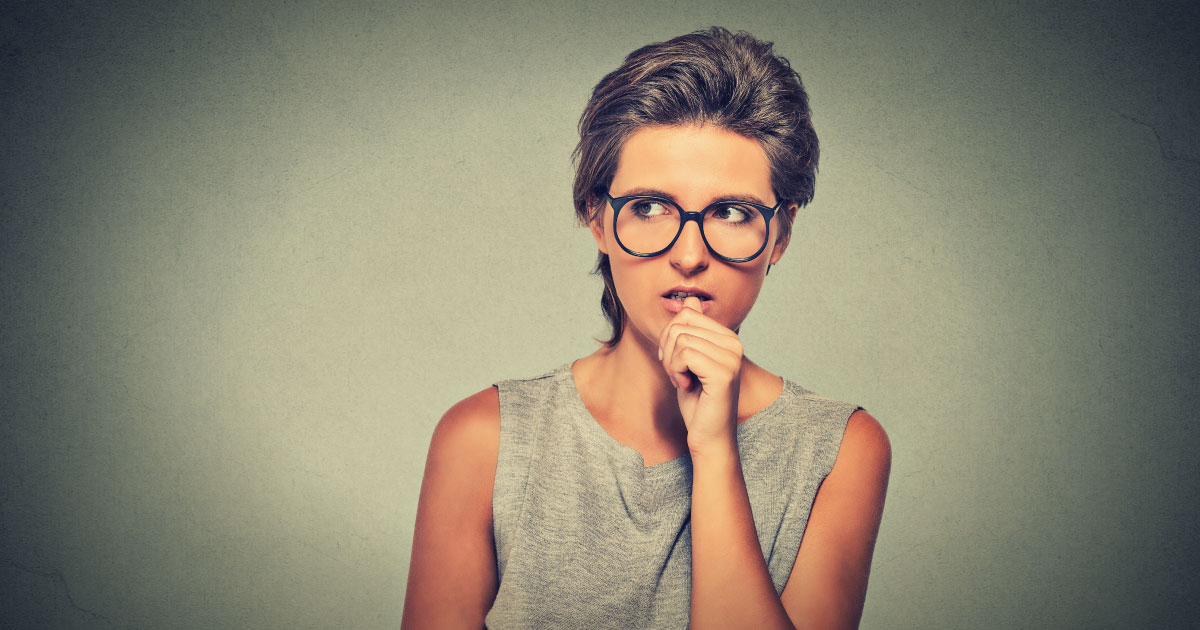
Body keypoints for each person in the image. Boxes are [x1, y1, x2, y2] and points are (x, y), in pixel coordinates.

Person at [401, 27, 891, 630]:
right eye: (650, 207)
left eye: (732, 213)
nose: (689, 254)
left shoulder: (839, 451)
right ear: (597, 217)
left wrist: (714, 451)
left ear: (781, 235)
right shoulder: (484, 439)